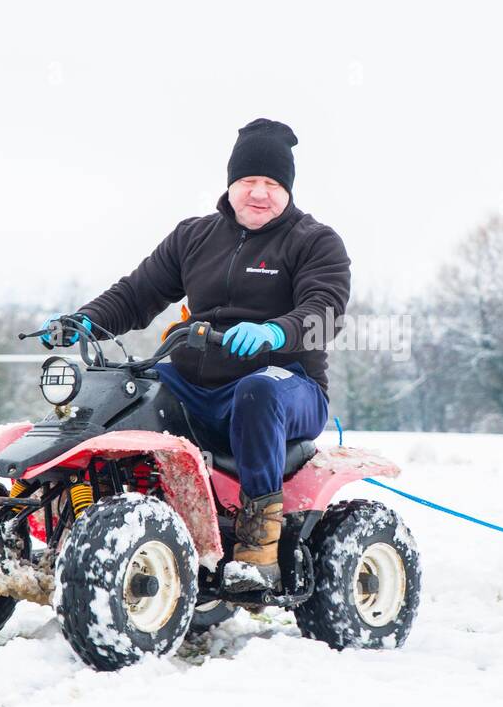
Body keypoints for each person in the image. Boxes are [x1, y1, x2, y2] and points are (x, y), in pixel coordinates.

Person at [49, 118, 350, 591]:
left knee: (257, 391)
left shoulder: (315, 241)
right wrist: (86, 320)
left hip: (287, 386)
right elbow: (137, 293)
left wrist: (274, 331)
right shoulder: (194, 237)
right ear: (231, 184)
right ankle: (107, 515)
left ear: (287, 190)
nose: (259, 192)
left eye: (272, 183)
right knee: (131, 391)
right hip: (197, 384)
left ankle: (258, 545)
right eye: (249, 180)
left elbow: (325, 311)